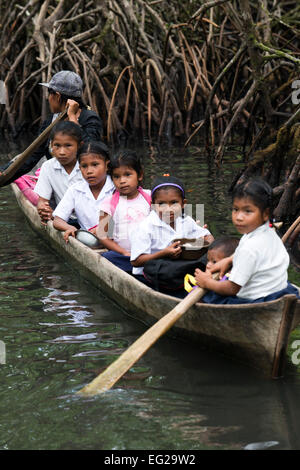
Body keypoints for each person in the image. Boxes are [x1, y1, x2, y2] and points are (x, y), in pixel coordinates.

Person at [194, 179, 299, 304]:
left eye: (247, 211)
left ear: (265, 214)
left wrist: (207, 283)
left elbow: (232, 288)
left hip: (257, 300)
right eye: (235, 209)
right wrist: (228, 260)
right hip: (279, 290)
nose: (239, 217)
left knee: (207, 297)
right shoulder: (268, 231)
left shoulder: (248, 249)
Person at [0, 70, 103, 185]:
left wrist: (72, 118)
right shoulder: (50, 121)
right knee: (19, 158)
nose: (48, 98)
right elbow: (32, 155)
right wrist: (3, 172)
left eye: (50, 94)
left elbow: (91, 151)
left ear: (57, 96)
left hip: (84, 182)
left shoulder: (89, 118)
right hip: (59, 182)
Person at [130, 175, 214, 278]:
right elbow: (136, 261)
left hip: (176, 268)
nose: (168, 209)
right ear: (153, 206)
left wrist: (202, 244)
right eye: (161, 204)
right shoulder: (145, 227)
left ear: (183, 204)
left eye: (174, 203)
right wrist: (163, 253)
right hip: (149, 275)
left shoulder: (185, 220)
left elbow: (208, 236)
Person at [96, 150, 151, 272]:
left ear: (140, 175)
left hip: (150, 254)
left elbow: (166, 221)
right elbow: (103, 236)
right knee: (108, 258)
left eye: (127, 175)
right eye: (116, 176)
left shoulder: (149, 197)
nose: (122, 181)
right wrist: (123, 252)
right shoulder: (109, 203)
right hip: (124, 256)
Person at [53, 141, 114, 243]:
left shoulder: (116, 187)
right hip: (88, 241)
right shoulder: (76, 190)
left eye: (95, 165)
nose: (89, 171)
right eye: (84, 166)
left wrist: (101, 229)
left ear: (106, 165)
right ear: (79, 167)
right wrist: (71, 228)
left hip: (115, 240)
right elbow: (57, 221)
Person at [34, 121, 84, 225]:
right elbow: (42, 201)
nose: (61, 152)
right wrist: (44, 211)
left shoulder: (88, 166)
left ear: (79, 146)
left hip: (92, 218)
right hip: (64, 219)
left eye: (68, 146)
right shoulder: (48, 167)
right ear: (51, 145)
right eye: (57, 145)